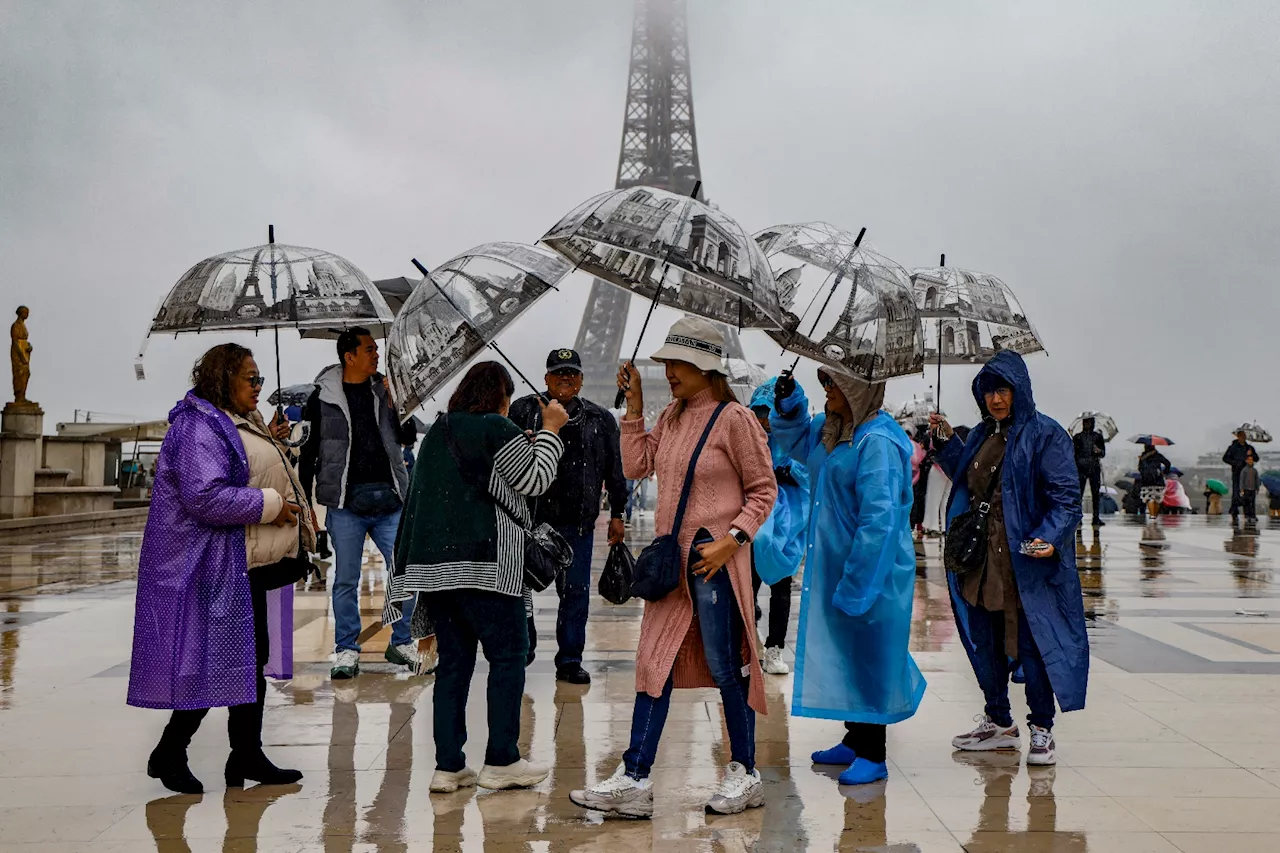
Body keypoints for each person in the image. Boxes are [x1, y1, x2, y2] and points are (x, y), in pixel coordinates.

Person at [571, 317, 777, 818]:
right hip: (671, 563)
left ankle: (744, 771)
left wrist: (732, 541)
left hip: (714, 565)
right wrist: (636, 409)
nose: (667, 371)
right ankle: (636, 778)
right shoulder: (672, 416)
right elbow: (637, 465)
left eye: (676, 363)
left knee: (729, 667)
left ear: (705, 366)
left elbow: (763, 489)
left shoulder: (734, 419)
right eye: (665, 362)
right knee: (652, 665)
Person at [129, 344, 306, 794]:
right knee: (212, 660)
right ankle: (170, 751)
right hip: (209, 562)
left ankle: (246, 753)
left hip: (242, 559)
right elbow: (204, 496)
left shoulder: (238, 422)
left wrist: (277, 444)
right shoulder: (198, 426)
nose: (259, 386)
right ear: (224, 378)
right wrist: (270, 505)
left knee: (250, 658)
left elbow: (246, 470)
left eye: (260, 378)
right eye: (251, 378)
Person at [388, 361, 569, 793]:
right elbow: (537, 480)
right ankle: (502, 760)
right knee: (508, 658)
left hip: (440, 575)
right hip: (489, 568)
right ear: (501, 398)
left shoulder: (439, 431)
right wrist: (551, 431)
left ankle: (448, 767)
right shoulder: (496, 427)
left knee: (454, 668)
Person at [931, 350, 1087, 767]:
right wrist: (948, 444)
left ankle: (1041, 728)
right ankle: (999, 720)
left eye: (1003, 390)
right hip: (982, 561)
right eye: (988, 391)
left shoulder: (1046, 435)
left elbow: (1067, 499)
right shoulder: (983, 434)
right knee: (986, 641)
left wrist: (1049, 538)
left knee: (1033, 645)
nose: (996, 399)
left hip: (1026, 562)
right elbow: (969, 479)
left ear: (1020, 390)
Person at [771, 370, 926, 785]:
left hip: (872, 570)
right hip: (837, 564)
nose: (828, 393)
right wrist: (789, 401)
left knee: (871, 654)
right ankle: (855, 739)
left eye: (834, 385)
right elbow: (798, 441)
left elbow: (880, 522)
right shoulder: (835, 429)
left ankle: (874, 754)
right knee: (847, 650)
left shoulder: (877, 441)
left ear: (858, 391)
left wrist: (858, 581)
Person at [299, 328, 419, 678]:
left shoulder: (385, 389)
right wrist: (306, 503)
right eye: (369, 350)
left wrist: (401, 409)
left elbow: (408, 438)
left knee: (404, 573)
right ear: (349, 356)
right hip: (345, 502)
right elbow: (308, 453)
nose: (376, 355)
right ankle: (346, 650)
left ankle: (402, 640)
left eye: (376, 349)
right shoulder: (321, 398)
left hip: (391, 498)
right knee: (346, 579)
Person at [508, 348, 628, 685]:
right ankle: (524, 645)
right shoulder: (523, 411)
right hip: (529, 521)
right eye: (558, 372)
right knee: (520, 589)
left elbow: (614, 470)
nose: (565, 378)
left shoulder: (600, 418)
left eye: (571, 373)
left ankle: (570, 659)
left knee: (575, 594)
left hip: (578, 523)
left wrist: (618, 513)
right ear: (545, 378)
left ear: (581, 379)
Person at [747, 378, 811, 676]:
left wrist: (786, 471)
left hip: (788, 519)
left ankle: (774, 647)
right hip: (755, 516)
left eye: (769, 413)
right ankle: (746, 645)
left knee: (781, 585)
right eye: (759, 413)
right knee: (748, 584)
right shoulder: (747, 438)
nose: (765, 421)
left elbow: (809, 469)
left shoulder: (795, 437)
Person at [1073, 418, 1107, 527]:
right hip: (1081, 468)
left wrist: (1098, 451)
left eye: (1088, 422)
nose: (1086, 424)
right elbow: (1073, 453)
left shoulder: (1098, 437)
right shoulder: (1078, 437)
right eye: (1085, 422)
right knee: (1079, 494)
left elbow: (1103, 453)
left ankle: (1096, 517)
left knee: (1095, 494)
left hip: (1094, 468)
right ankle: (1078, 517)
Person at [1224, 430, 1260, 522]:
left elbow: (1256, 458)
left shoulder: (1249, 448)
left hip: (1247, 473)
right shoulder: (1233, 448)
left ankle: (1248, 513)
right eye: (1241, 436)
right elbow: (1225, 458)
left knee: (1248, 494)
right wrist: (1234, 463)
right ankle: (1234, 511)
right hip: (1236, 473)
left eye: (1244, 436)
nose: (1243, 438)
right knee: (1236, 492)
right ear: (1238, 437)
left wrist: (1251, 453)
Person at [1137, 442, 1171, 517]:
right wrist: (1164, 472)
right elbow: (1168, 463)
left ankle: (1152, 514)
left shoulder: (1142, 457)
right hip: (1158, 480)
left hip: (1146, 482)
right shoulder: (1158, 456)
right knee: (1157, 499)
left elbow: (1140, 468)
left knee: (1148, 498)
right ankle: (1155, 514)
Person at [1240, 452, 1260, 522]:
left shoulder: (1255, 470)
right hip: (1246, 489)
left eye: (1251, 460)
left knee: (1252, 503)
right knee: (1246, 503)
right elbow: (1242, 480)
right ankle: (1247, 516)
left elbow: (1257, 479)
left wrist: (1257, 488)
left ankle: (1253, 515)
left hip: (1253, 489)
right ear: (1246, 461)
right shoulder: (1244, 470)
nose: (1250, 461)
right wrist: (1241, 489)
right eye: (1249, 459)